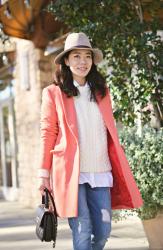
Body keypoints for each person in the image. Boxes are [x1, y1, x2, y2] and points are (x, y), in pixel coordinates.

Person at [38, 32, 143, 250]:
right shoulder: (53, 93)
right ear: (66, 61)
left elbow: (109, 131)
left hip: (100, 169)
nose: (82, 61)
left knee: (104, 230)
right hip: (71, 172)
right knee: (82, 229)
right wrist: (43, 174)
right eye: (76, 56)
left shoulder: (102, 92)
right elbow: (48, 132)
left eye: (87, 56)